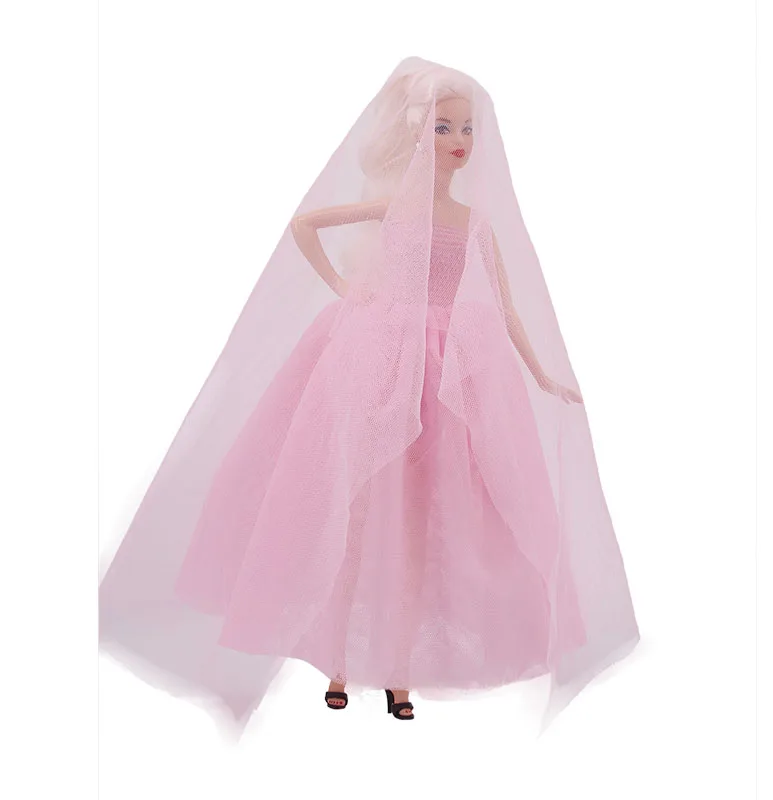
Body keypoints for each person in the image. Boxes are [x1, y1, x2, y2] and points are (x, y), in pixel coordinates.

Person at [99, 56, 639, 737]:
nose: (459, 141)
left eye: (466, 128)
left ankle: (396, 668)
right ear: (417, 133)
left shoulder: (475, 222)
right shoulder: (398, 209)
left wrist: (541, 372)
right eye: (443, 127)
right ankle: (338, 663)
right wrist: (347, 290)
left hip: (449, 377)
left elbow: (506, 310)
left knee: (419, 529)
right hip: (379, 363)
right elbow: (306, 225)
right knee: (352, 516)